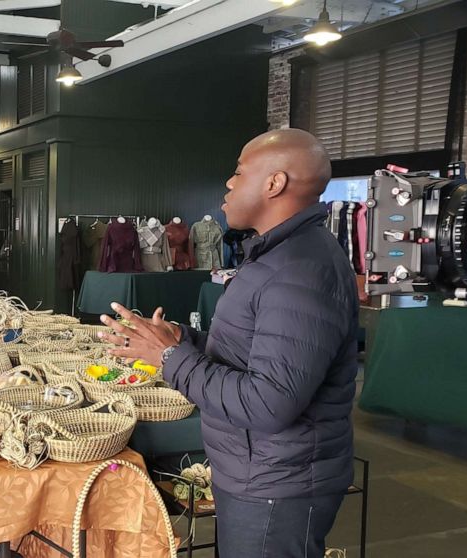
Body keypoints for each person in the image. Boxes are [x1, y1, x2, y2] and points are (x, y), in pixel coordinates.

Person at [99, 129, 357, 557]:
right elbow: (249, 354)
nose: (229, 184)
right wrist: (182, 339)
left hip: (278, 482)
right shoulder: (278, 255)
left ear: (274, 183)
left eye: (239, 172)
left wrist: (168, 358)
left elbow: (268, 403)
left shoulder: (298, 270)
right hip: (258, 471)